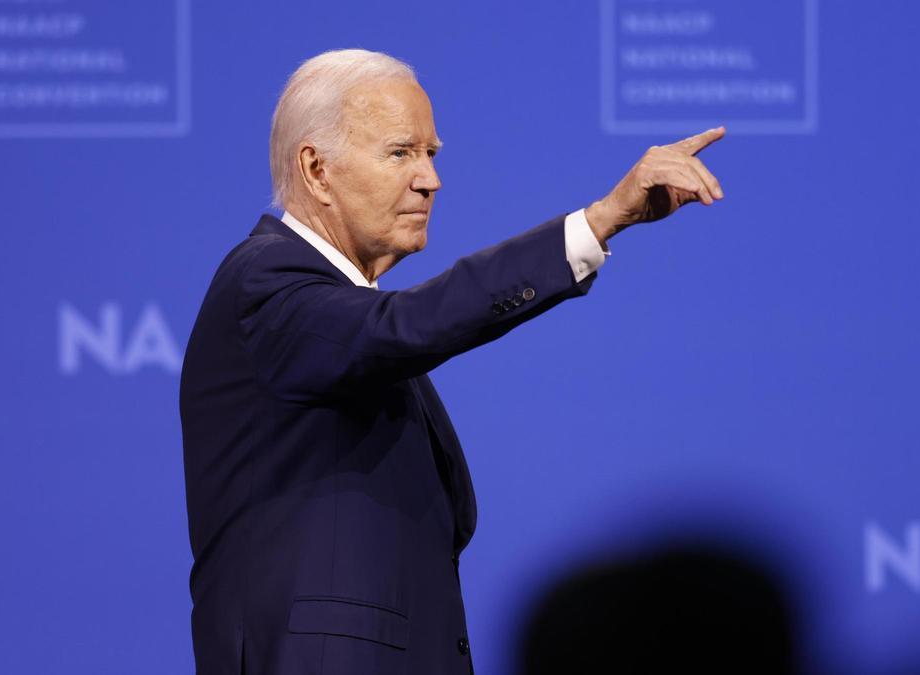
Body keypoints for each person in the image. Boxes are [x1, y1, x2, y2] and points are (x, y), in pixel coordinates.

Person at [179, 48, 724, 675]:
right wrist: (600, 222)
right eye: (400, 153)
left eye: (431, 154)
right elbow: (410, 325)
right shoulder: (266, 284)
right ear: (316, 169)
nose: (430, 180)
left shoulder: (341, 318)